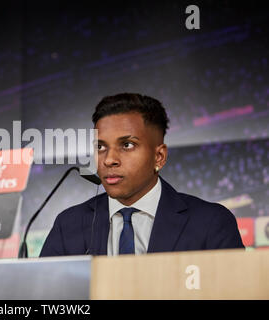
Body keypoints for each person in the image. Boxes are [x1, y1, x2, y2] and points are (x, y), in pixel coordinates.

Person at [40, 93, 244, 257]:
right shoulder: (68, 225)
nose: (109, 159)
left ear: (159, 157)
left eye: (127, 145)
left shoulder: (211, 222)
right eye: (100, 146)